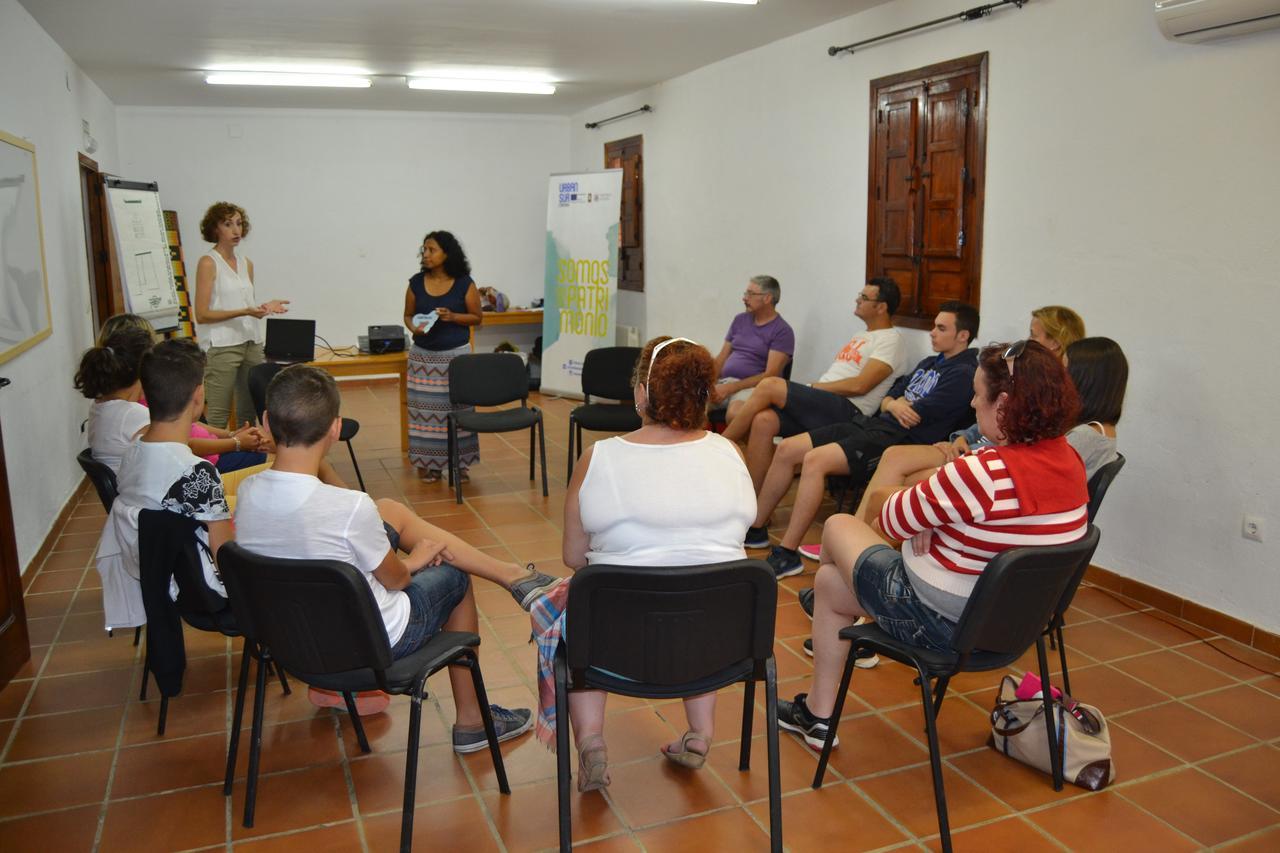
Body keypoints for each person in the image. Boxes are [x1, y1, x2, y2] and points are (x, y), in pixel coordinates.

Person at [777, 339, 1090, 749]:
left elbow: (884, 516)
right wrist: (930, 515)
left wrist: (919, 516)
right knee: (832, 585)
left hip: (939, 622)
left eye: (978, 397)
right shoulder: (1070, 462)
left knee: (837, 526)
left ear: (1004, 404)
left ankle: (821, 704)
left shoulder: (982, 471)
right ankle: (817, 716)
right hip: (1014, 624)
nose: (973, 407)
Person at [231, 364, 543, 748]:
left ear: (266, 420)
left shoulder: (246, 494)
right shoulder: (349, 508)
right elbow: (396, 580)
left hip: (290, 641)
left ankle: (512, 576)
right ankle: (472, 720)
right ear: (335, 428)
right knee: (455, 579)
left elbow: (347, 513)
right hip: (371, 641)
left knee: (389, 509)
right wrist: (418, 558)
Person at [537, 336, 755, 792]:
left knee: (580, 602)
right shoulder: (730, 454)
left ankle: (592, 742)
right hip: (722, 641)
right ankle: (701, 734)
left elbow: (574, 558)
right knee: (699, 589)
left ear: (641, 394)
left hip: (614, 646)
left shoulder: (600, 458)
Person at [751, 303, 981, 580]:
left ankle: (787, 554)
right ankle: (756, 528)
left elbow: (919, 413)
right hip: (873, 424)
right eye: (933, 325)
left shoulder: (964, 373)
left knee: (814, 461)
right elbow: (895, 395)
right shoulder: (929, 363)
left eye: (941, 328)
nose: (932, 333)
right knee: (788, 449)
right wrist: (893, 404)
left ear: (963, 336)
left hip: (896, 438)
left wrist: (894, 405)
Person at [95, 339, 238, 629]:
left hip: (157, 578)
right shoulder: (196, 471)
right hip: (203, 594)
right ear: (198, 396)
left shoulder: (132, 450)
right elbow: (226, 554)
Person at [722, 277, 907, 492]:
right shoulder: (862, 335)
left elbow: (860, 386)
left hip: (850, 410)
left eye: (864, 297)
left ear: (881, 307)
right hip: (827, 402)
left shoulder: (891, 340)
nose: (857, 300)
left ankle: (717, 448)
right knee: (764, 421)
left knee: (770, 385)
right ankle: (752, 498)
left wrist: (813, 388)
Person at [77, 314, 268, 475]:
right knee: (262, 459)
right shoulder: (133, 415)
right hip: (159, 491)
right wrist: (235, 442)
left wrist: (231, 435)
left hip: (146, 487)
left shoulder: (103, 406)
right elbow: (185, 447)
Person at [192, 202, 289, 430]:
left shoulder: (247, 264)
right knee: (218, 414)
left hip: (251, 343)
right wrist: (245, 311)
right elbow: (202, 314)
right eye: (228, 224)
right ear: (215, 229)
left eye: (239, 224)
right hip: (222, 346)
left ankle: (247, 463)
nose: (236, 231)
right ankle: (216, 464)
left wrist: (264, 308)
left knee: (249, 413)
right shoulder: (208, 263)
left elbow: (247, 308)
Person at [403, 231, 484, 482]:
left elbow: (477, 317)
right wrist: (413, 327)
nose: (425, 254)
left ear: (447, 253)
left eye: (431, 250)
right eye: (424, 250)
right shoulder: (416, 282)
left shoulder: (464, 283)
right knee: (425, 415)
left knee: (459, 411)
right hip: (423, 359)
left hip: (455, 359)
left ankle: (460, 465)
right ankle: (432, 465)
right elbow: (407, 315)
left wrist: (453, 317)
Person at [711, 275, 795, 421]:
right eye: (746, 293)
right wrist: (709, 383)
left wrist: (732, 388)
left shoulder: (782, 331)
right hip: (725, 383)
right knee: (689, 406)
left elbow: (770, 375)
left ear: (767, 298)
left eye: (750, 294)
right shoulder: (740, 320)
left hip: (753, 388)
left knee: (735, 414)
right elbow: (722, 357)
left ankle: (737, 444)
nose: (744, 298)